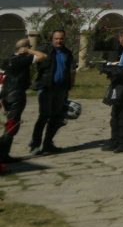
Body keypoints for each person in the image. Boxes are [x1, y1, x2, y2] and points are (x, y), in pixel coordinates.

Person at [29, 29, 76, 155]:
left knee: (56, 117)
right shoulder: (44, 50)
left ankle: (48, 144)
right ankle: (35, 145)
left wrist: (71, 84)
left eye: (61, 38)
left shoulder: (67, 53)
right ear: (52, 39)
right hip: (46, 88)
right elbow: (32, 61)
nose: (59, 41)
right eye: (56, 39)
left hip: (61, 89)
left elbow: (71, 69)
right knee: (44, 116)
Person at [1, 39, 47, 168]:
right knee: (12, 125)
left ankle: (4, 153)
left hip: (6, 94)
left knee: (9, 124)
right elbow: (42, 56)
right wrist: (29, 51)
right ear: (25, 47)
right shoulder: (23, 59)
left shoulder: (8, 59)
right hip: (16, 95)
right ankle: (3, 154)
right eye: (29, 46)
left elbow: (2, 78)